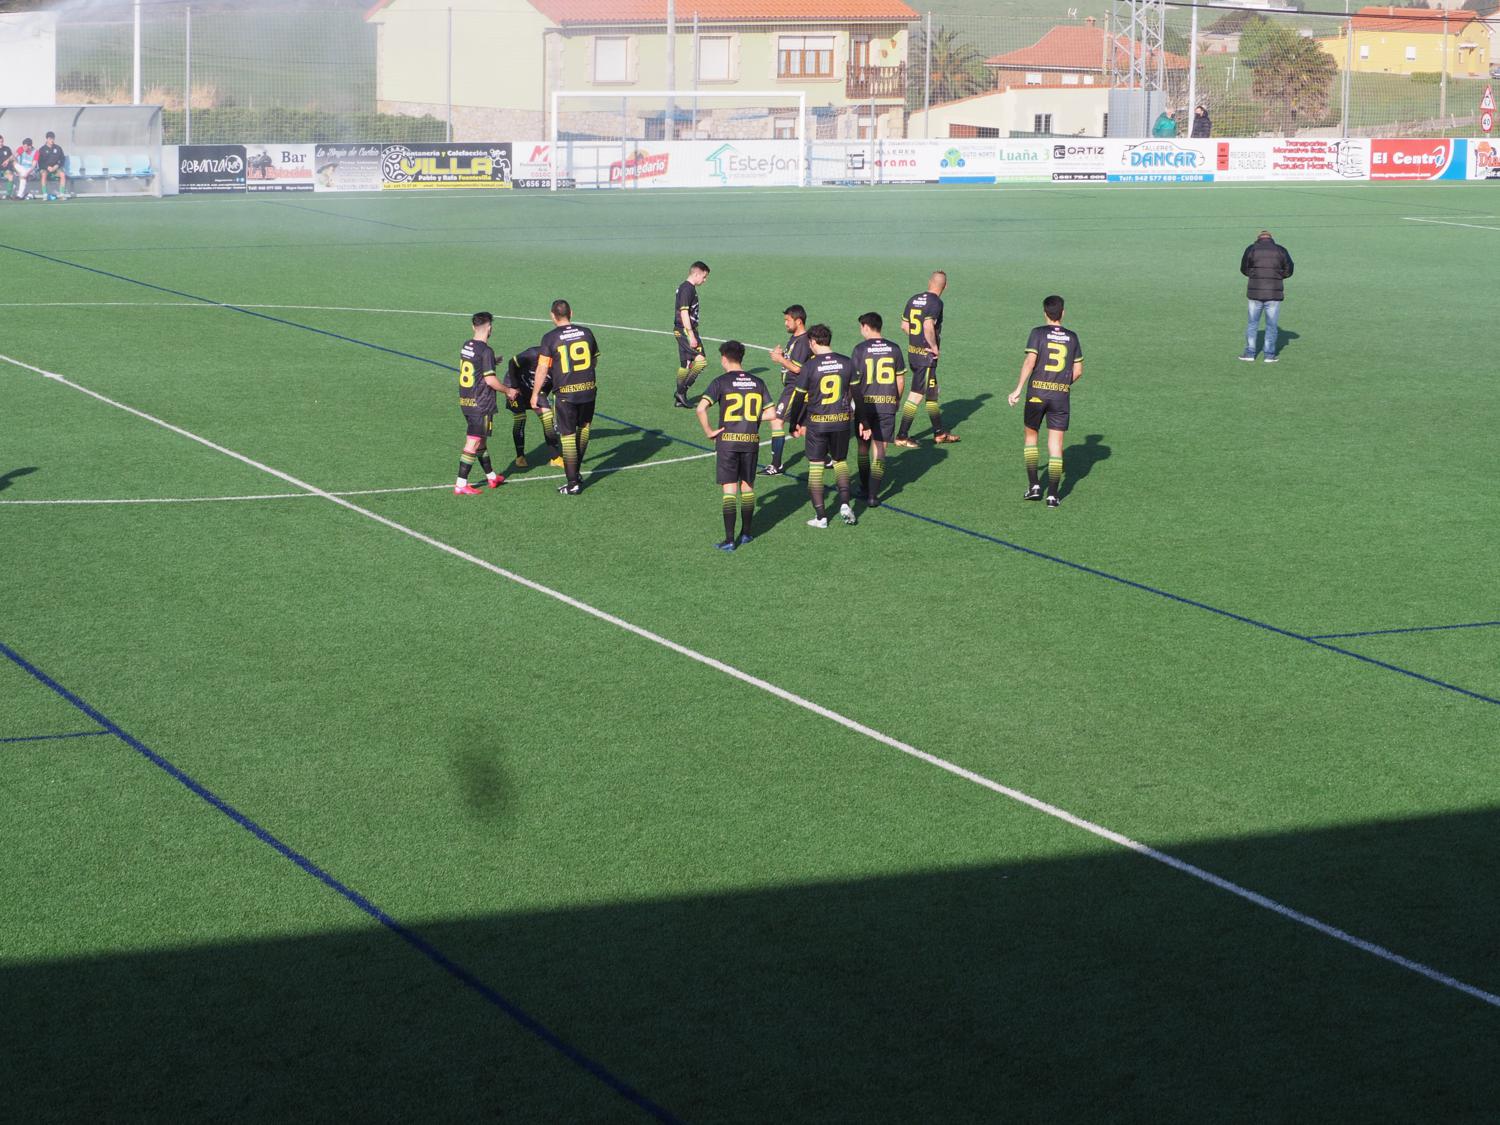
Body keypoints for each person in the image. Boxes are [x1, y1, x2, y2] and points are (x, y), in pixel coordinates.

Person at [1007, 294, 1083, 509]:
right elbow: (1078, 370)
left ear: (1045, 313)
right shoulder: (1072, 337)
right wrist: (1061, 384)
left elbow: (1030, 361)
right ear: (1063, 313)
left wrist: (1018, 389)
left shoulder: (1038, 333)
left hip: (1036, 393)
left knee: (1031, 437)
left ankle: (1034, 486)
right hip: (1060, 396)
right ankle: (1053, 496)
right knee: (1056, 445)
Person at [696, 341, 769, 551]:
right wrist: (750, 418)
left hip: (727, 442)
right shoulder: (758, 382)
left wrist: (709, 432)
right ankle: (746, 534)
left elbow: (701, 409)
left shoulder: (721, 382)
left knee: (729, 490)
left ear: (724, 359)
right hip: (750, 440)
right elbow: (772, 413)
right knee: (747, 487)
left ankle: (729, 540)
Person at [785, 324, 857, 528]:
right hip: (841, 421)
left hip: (817, 423)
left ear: (813, 342)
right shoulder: (846, 362)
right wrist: (863, 422)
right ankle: (845, 504)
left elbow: (799, 398)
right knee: (840, 462)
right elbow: (857, 394)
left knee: (816, 467)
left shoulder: (810, 366)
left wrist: (794, 422)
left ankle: (821, 517)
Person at [534, 299, 600, 495]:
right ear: (571, 313)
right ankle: (576, 474)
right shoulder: (586, 332)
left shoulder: (550, 338)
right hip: (588, 389)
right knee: (584, 428)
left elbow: (542, 368)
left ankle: (572, 484)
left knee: (568, 436)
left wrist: (535, 393)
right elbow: (594, 360)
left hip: (566, 394)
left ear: (552, 316)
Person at [895, 271, 959, 447]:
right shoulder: (936, 302)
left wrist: (916, 340)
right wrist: (933, 346)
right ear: (945, 286)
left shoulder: (914, 299)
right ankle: (902, 436)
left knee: (932, 394)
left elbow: (904, 326)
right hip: (926, 357)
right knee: (916, 394)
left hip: (913, 352)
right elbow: (928, 324)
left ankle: (939, 433)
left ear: (929, 282)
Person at [848, 312, 906, 508]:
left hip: (864, 406)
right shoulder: (894, 348)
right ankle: (873, 496)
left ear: (866, 326)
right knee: (880, 451)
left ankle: (864, 487)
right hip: (886, 405)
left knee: (863, 448)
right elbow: (900, 380)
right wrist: (896, 400)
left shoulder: (860, 349)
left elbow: (853, 383)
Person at [455, 312, 508, 496]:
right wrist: (508, 391)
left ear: (473, 327)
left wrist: (491, 362)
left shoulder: (466, 345)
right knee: (474, 442)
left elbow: (474, 366)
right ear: (490, 328)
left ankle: (492, 477)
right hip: (481, 403)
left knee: (481, 439)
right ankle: (461, 484)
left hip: (466, 400)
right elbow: (491, 381)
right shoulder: (486, 351)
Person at [762, 304, 812, 475]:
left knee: (776, 421)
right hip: (794, 387)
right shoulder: (796, 338)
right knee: (804, 429)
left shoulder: (803, 342)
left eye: (788, 320)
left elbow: (797, 369)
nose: (785, 323)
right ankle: (827, 459)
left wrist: (779, 359)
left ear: (798, 321)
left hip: (795, 388)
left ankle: (776, 465)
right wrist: (782, 356)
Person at [501, 344, 562, 469]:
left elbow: (555, 388)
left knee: (548, 419)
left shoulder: (559, 364)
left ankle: (555, 458)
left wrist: (544, 398)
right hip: (515, 385)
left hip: (537, 389)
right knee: (520, 418)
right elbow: (512, 363)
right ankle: (520, 457)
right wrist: (514, 387)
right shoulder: (532, 354)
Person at [1239, 229, 1294, 363]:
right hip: (1274, 293)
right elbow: (1289, 269)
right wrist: (1278, 276)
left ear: (1258, 238)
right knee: (1271, 325)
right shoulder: (1280, 250)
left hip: (1254, 293)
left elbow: (1244, 268)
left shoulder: (1251, 249)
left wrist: (1253, 275)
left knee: (1252, 324)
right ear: (1271, 238)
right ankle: (1269, 355)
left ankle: (1250, 354)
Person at [672, 261, 710, 408]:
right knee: (701, 361)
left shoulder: (686, 288)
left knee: (686, 364)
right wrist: (691, 335)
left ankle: (679, 399)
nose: (705, 280)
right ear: (696, 274)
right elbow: (684, 313)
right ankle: (681, 392)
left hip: (682, 330)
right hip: (686, 331)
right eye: (704, 277)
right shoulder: (687, 289)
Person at [37, 131, 66, 201]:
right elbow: (40, 162)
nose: (52, 140)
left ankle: (61, 194)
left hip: (56, 169)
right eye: (50, 139)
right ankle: (45, 194)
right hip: (45, 169)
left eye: (53, 138)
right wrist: (47, 167)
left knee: (62, 174)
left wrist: (57, 166)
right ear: (47, 139)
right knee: (43, 174)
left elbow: (62, 159)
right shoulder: (42, 149)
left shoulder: (58, 148)